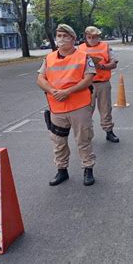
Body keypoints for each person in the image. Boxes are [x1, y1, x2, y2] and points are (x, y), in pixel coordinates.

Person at [36, 24, 96, 186]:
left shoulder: (84, 57)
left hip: (79, 107)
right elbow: (40, 79)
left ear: (73, 39)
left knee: (83, 139)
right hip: (57, 108)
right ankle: (62, 170)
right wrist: (52, 90)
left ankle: (88, 169)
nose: (61, 39)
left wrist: (67, 92)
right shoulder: (49, 58)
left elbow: (88, 79)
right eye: (59, 35)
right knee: (58, 141)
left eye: (65, 36)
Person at [79, 26, 120, 143]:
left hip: (102, 83)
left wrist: (102, 66)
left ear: (99, 37)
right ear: (86, 37)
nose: (92, 39)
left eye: (95, 37)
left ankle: (109, 131)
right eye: (89, 37)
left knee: (105, 109)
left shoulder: (106, 47)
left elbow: (114, 63)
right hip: (86, 85)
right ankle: (87, 135)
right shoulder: (80, 49)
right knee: (86, 111)